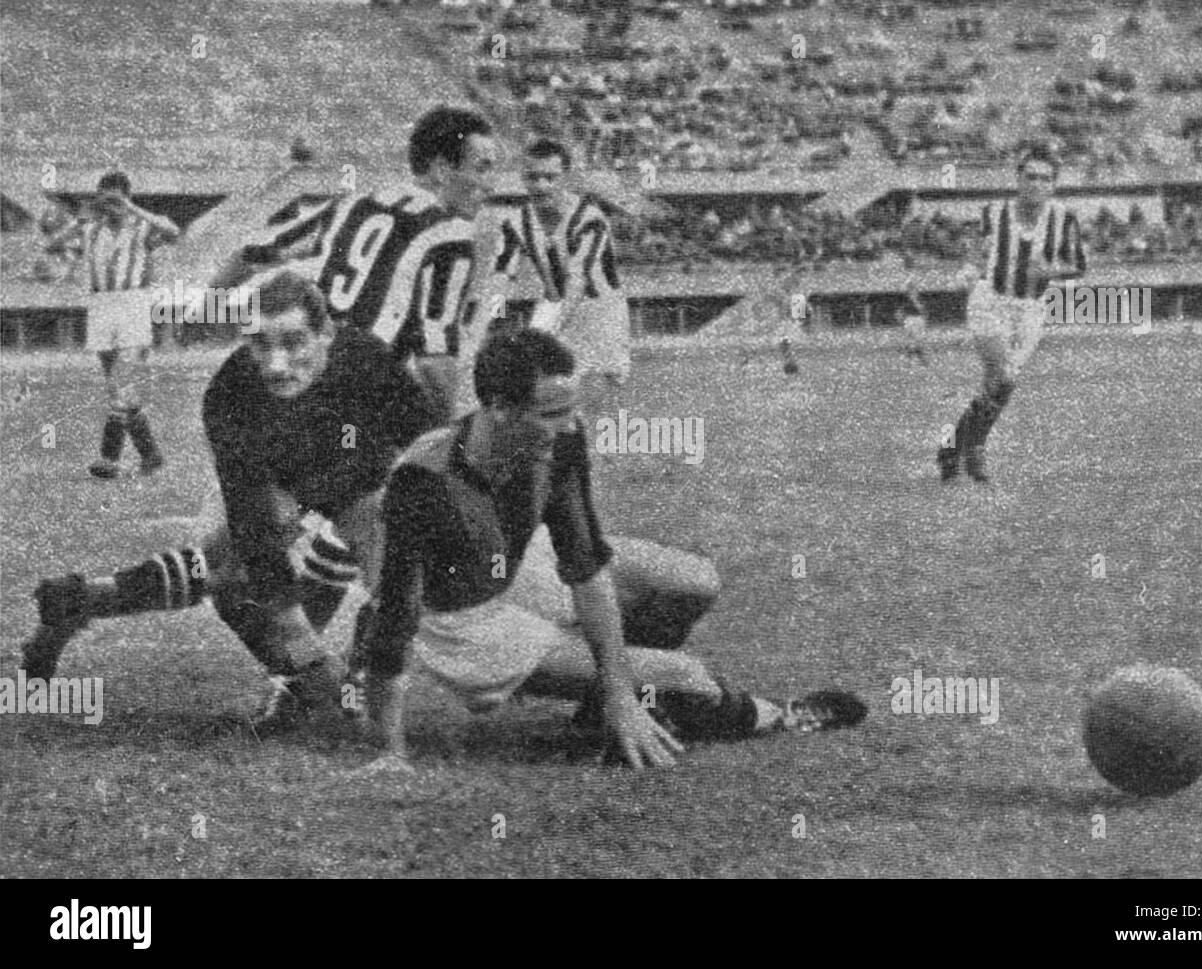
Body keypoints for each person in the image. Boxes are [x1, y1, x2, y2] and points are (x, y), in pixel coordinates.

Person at [349, 329, 866, 771]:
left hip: (518, 572)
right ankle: (775, 714)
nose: (571, 424)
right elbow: (396, 616)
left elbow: (586, 567)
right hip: (461, 623)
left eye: (571, 407)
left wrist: (620, 691)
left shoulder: (560, 441)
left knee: (692, 580)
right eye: (552, 412)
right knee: (682, 675)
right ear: (500, 410)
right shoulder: (425, 479)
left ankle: (610, 706)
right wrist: (390, 751)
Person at [20, 271, 442, 729]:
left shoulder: (365, 359)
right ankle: (86, 601)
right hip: (278, 484)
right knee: (225, 572)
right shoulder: (231, 391)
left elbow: (428, 445)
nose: (277, 364)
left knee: (402, 575)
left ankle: (348, 687)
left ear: (327, 334)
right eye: (260, 343)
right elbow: (253, 525)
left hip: (357, 477)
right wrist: (303, 647)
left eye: (294, 342)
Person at [210, 105, 503, 423]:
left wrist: (207, 308)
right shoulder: (452, 234)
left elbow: (251, 252)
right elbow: (434, 360)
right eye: (482, 168)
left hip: (301, 374)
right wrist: (446, 440)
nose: (491, 184)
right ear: (443, 169)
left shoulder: (351, 202)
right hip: (362, 394)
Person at [937, 143, 1087, 483]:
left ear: (1053, 184)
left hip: (1031, 308)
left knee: (1000, 386)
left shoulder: (1064, 219)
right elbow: (979, 250)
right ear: (1018, 179)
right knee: (1002, 376)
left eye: (1045, 179)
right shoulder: (994, 212)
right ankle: (968, 450)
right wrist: (968, 270)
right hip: (991, 301)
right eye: (1030, 176)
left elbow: (1077, 265)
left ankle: (955, 449)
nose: (1037, 184)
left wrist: (1050, 270)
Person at [44, 172, 179, 479]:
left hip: (132, 304)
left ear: (127, 197)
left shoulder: (141, 227)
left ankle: (109, 458)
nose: (112, 205)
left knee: (122, 386)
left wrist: (131, 208)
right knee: (120, 389)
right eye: (107, 198)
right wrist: (81, 219)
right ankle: (151, 455)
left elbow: (172, 230)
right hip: (101, 307)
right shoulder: (91, 230)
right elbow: (52, 245)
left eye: (117, 198)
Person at [488, 138, 631, 421]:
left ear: (564, 177)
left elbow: (577, 281)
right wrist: (493, 320)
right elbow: (499, 280)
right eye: (532, 177)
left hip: (599, 313)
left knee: (587, 402)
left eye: (550, 177)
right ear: (522, 177)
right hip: (552, 304)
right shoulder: (516, 223)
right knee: (529, 386)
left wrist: (546, 334)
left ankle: (580, 452)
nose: (541, 185)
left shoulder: (590, 220)